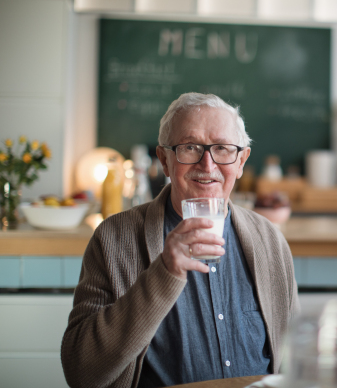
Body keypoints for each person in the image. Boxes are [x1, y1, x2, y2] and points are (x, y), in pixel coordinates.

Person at [61, 93, 300, 388]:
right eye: (190, 147)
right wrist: (163, 274)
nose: (207, 164)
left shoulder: (270, 241)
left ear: (240, 162)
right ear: (164, 160)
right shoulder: (115, 239)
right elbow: (81, 374)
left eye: (223, 149)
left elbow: (293, 359)